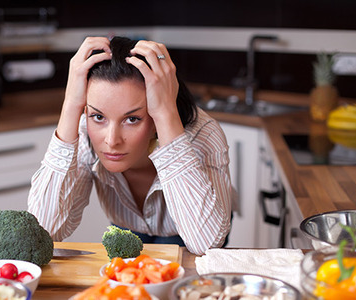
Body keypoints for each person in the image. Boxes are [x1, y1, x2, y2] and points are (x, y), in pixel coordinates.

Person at [28, 36, 233, 255]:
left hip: (192, 229)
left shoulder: (203, 135)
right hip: (126, 227)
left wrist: (165, 114)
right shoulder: (84, 130)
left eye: (132, 119)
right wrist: (70, 104)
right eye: (98, 116)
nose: (111, 140)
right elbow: (44, 231)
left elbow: (206, 245)